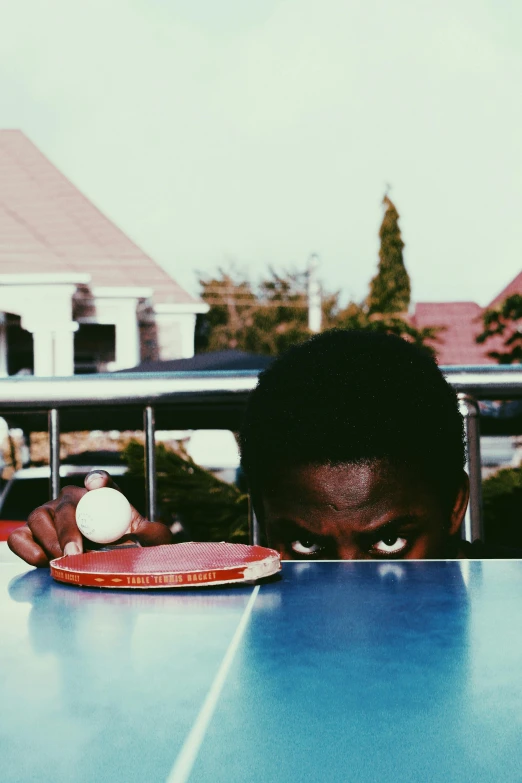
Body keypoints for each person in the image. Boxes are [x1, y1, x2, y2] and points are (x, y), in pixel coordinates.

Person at [7, 329, 498, 566]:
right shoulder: (251, 606)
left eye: (388, 543)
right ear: (261, 515)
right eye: (308, 546)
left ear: (455, 505)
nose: (350, 598)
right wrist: (122, 569)